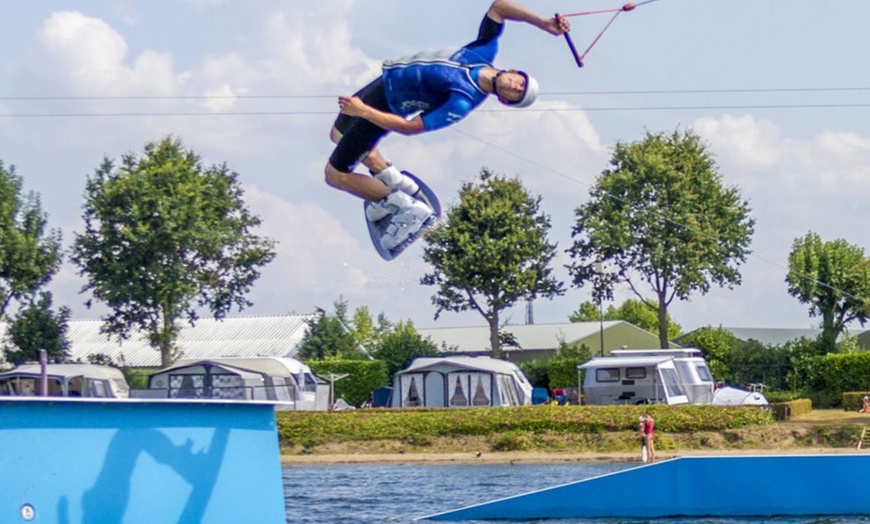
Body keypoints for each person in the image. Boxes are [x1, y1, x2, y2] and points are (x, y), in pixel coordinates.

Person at [325, 0, 571, 252]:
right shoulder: (483, 51)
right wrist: (544, 23)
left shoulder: (462, 102)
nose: (515, 86)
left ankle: (404, 208)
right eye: (520, 83)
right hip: (385, 82)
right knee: (338, 134)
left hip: (385, 105)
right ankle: (396, 183)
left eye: (517, 93)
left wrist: (364, 112)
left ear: (505, 100)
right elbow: (499, 7)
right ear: (516, 71)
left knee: (335, 176)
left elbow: (410, 127)